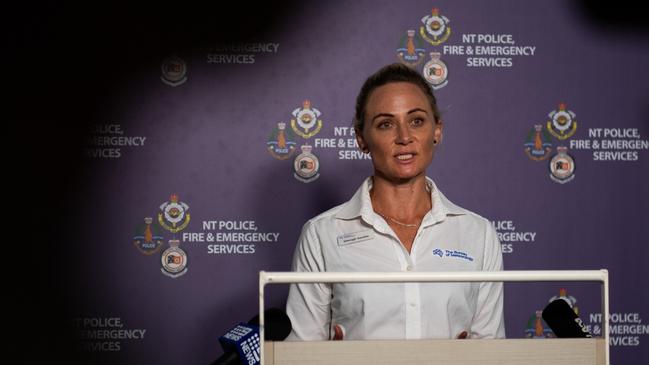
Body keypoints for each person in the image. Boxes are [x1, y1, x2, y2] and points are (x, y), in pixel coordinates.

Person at [286, 63, 505, 341]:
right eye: (385, 124)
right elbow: (301, 352)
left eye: (416, 121)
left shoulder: (479, 234)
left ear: (437, 131)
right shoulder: (322, 234)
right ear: (361, 139)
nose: (404, 137)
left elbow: (491, 350)